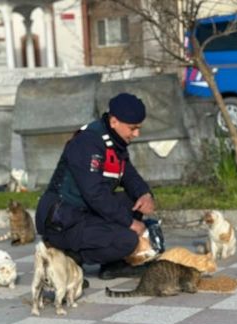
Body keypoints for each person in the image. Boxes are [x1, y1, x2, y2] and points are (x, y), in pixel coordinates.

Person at [35, 92, 159, 279]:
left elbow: (128, 174)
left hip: (86, 212)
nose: (136, 134)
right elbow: (95, 194)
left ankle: (113, 265)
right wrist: (129, 223)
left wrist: (144, 194)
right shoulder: (88, 143)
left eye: (139, 128)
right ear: (114, 121)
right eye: (133, 128)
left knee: (131, 201)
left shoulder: (115, 143)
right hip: (63, 220)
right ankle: (69, 257)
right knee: (128, 240)